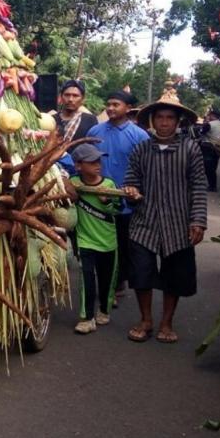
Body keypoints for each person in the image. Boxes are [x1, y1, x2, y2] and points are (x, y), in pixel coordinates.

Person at [123, 90, 208, 344]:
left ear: (178, 120)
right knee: (141, 272)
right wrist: (132, 192)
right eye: (159, 117)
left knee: (175, 275)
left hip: (178, 223)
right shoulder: (141, 149)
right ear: (152, 120)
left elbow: (199, 186)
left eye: (170, 117)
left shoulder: (191, 149)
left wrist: (198, 221)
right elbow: (131, 180)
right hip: (144, 222)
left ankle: (166, 322)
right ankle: (146, 319)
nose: (164, 122)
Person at [86, 90, 149, 300]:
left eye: (116, 104)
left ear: (127, 108)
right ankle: (102, 280)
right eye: (109, 104)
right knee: (97, 242)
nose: (111, 108)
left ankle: (119, 281)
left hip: (126, 203)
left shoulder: (140, 135)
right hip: (96, 198)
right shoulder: (95, 131)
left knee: (122, 244)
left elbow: (145, 168)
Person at [63, 144, 122, 334]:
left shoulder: (109, 185)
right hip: (84, 240)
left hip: (108, 240)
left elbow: (118, 210)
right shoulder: (72, 182)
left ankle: (104, 310)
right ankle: (86, 318)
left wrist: (106, 201)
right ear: (79, 166)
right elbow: (64, 195)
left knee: (106, 280)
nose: (97, 164)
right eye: (91, 162)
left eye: (98, 160)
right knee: (86, 278)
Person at [199, 109, 220, 192]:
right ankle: (212, 185)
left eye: (209, 115)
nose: (208, 116)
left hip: (208, 147)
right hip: (218, 148)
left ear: (212, 115)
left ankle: (212, 186)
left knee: (208, 167)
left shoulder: (209, 124)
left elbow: (201, 133)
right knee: (213, 166)